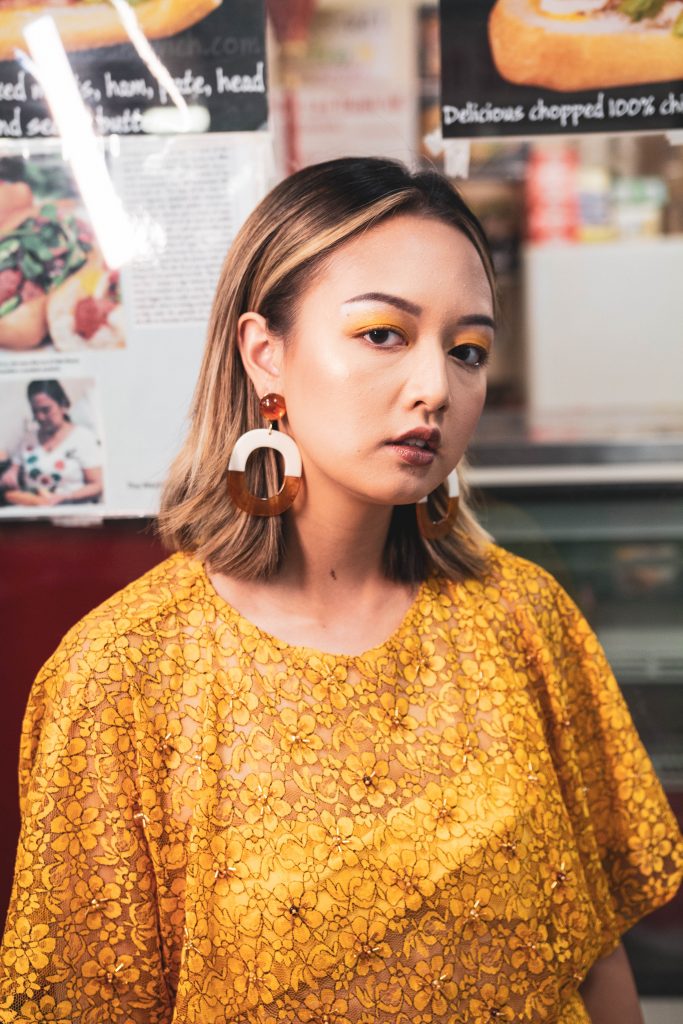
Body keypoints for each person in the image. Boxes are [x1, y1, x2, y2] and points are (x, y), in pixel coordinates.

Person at [0, 158, 680, 1024]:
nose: (436, 386)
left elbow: (595, 958)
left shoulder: (521, 618)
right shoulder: (123, 675)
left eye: (466, 350)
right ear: (265, 355)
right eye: (383, 335)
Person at [0, 379, 103, 506]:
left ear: (63, 405)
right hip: (35, 513)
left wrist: (65, 497)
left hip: (73, 513)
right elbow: (14, 468)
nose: (40, 417)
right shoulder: (28, 438)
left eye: (46, 410)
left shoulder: (83, 438)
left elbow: (98, 485)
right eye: (35, 411)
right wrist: (10, 474)